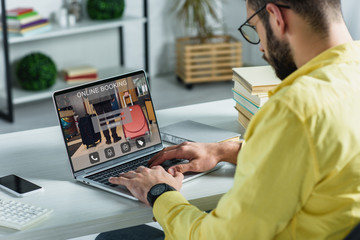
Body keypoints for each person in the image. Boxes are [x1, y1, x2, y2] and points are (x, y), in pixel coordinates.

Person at [103, 0, 360, 239]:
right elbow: (317, 154)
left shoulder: (294, 109)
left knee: (113, 236)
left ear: (275, 17)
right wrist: (225, 150)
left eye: (255, 28)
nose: (260, 46)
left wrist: (159, 191)